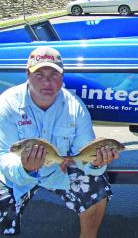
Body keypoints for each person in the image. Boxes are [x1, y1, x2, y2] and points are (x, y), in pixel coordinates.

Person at [0, 46, 119, 237]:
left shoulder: (75, 107)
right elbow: (4, 155)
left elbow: (84, 152)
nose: (47, 81)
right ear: (27, 75)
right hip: (17, 173)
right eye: (39, 74)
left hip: (59, 169)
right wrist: (25, 168)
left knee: (97, 189)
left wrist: (96, 163)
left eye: (54, 74)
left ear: (62, 77)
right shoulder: (7, 104)